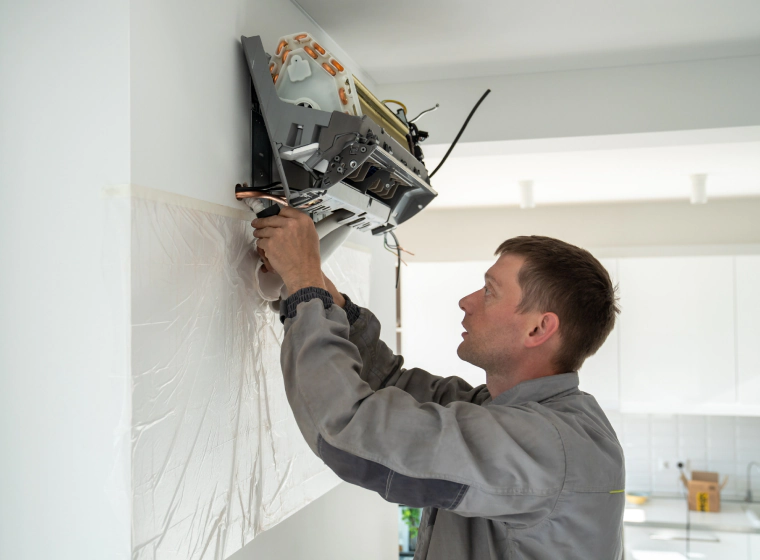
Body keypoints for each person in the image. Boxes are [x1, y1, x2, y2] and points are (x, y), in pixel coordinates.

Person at [252, 206, 625, 559]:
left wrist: (305, 287)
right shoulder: (525, 413)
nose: (466, 301)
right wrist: (320, 292)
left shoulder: (546, 447)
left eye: (490, 291)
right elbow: (391, 384)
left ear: (538, 328)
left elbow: (347, 432)